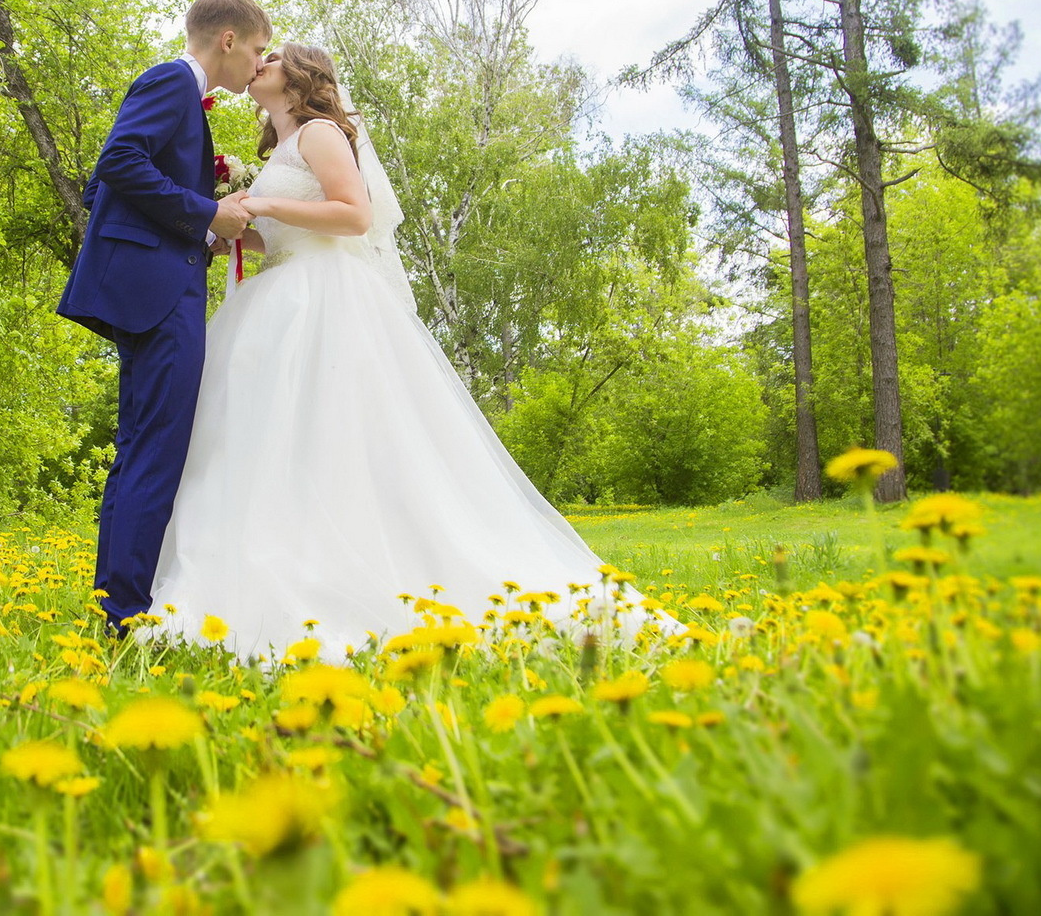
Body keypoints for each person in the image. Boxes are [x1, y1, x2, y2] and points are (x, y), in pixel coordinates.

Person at [148, 42, 679, 662]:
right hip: (281, 296)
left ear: (301, 78)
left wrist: (257, 201)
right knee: (274, 439)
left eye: (274, 57)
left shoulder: (321, 132)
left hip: (324, 300)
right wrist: (227, 230)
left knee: (333, 435)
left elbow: (352, 215)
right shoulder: (287, 145)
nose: (260, 63)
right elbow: (289, 232)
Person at [56, 0, 270, 638]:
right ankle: (124, 614)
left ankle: (112, 607)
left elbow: (102, 190)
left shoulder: (180, 96)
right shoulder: (172, 81)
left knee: (140, 449)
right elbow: (115, 164)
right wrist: (209, 211)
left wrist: (202, 232)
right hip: (159, 298)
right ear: (227, 39)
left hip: (155, 284)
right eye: (257, 50)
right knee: (156, 452)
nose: (258, 66)